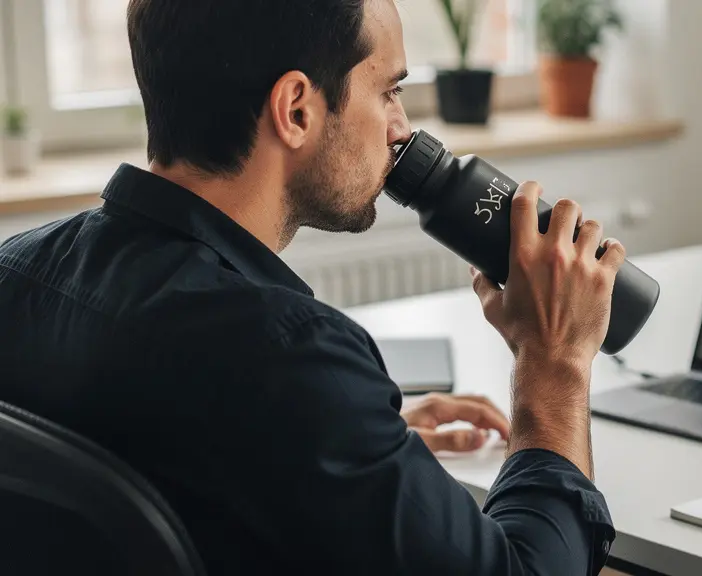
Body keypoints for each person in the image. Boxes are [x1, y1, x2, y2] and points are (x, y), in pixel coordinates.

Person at [0, 0, 627, 574]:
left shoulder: (14, 272)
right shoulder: (290, 360)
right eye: (389, 91)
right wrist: (554, 362)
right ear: (296, 109)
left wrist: (353, 446)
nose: (401, 128)